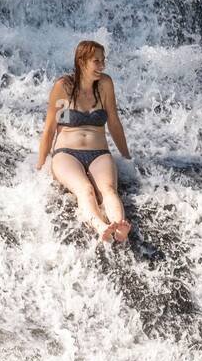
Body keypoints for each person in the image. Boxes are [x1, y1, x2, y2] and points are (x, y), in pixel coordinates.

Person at [37, 39, 132, 243]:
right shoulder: (63, 87)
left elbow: (114, 123)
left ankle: (119, 227)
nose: (102, 66)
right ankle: (101, 227)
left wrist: (127, 157)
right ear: (82, 61)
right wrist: (40, 165)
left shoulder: (105, 85)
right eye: (96, 61)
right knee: (85, 190)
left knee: (108, 190)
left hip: (99, 153)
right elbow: (50, 129)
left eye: (103, 60)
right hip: (66, 154)